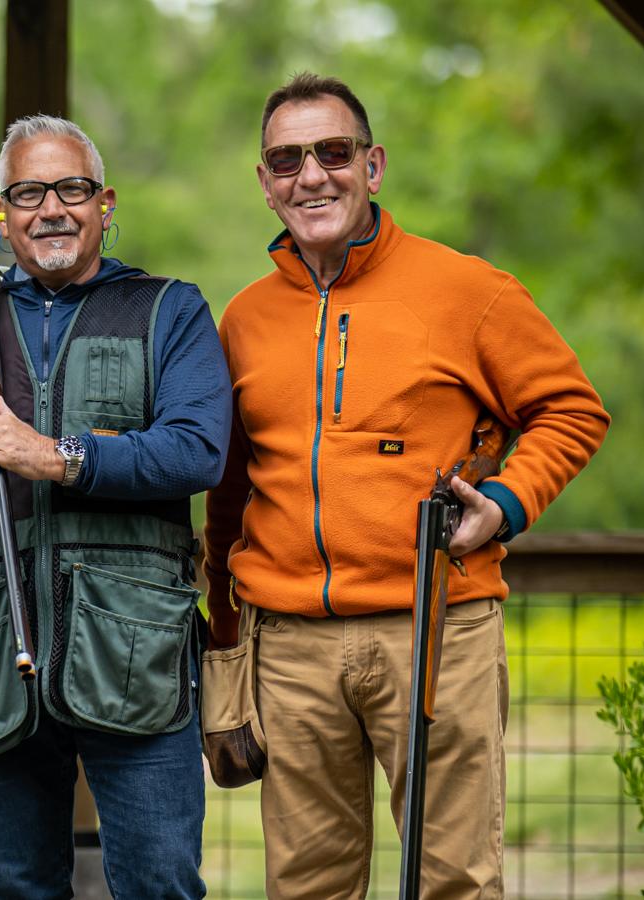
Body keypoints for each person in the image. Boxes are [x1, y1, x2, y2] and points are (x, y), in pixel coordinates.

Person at [203, 72, 611, 897]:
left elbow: (572, 409)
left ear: (374, 165)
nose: (310, 175)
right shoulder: (242, 319)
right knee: (308, 885)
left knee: (454, 879)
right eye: (286, 160)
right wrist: (225, 638)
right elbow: (226, 496)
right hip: (288, 646)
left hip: (438, 625)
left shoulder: (468, 291)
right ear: (264, 183)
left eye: (333, 152)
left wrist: (501, 505)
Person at [0, 114, 230, 898]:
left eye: (72, 188)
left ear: (105, 203)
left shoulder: (170, 310)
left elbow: (199, 449)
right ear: (2, 213)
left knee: (161, 883)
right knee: (21, 888)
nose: (51, 209)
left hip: (139, 651)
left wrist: (61, 457)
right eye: (28, 192)